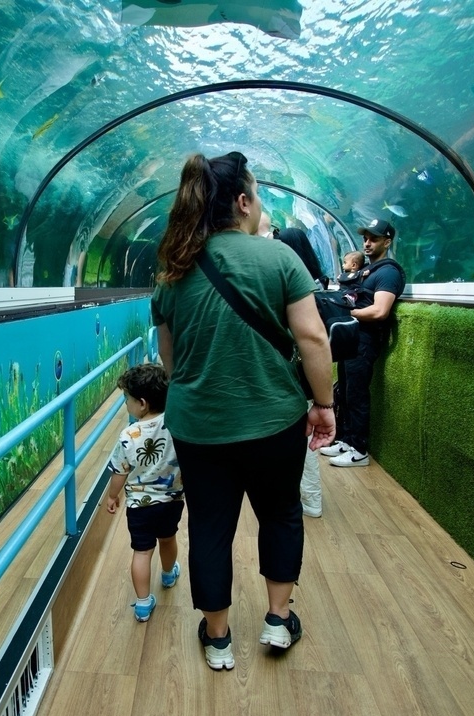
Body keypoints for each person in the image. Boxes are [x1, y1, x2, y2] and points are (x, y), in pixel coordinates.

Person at [151, 151, 336, 670]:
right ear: (242, 201)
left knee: (210, 526)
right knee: (280, 514)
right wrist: (323, 405)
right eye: (256, 194)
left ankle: (218, 638)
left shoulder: (172, 273)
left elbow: (171, 360)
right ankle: (278, 621)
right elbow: (313, 337)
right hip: (275, 420)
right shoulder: (280, 260)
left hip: (198, 426)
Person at [320, 215, 406, 467]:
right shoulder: (366, 271)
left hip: (365, 340)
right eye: (365, 239)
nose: (367, 244)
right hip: (351, 338)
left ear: (387, 242)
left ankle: (359, 450)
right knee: (345, 390)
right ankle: (346, 440)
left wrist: (345, 312)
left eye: (374, 239)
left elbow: (380, 311)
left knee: (356, 393)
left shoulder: (388, 273)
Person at [105, 364, 185, 623]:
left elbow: (119, 472)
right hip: (171, 501)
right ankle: (168, 573)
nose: (126, 403)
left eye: (127, 399)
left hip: (139, 506)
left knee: (141, 552)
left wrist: (111, 496)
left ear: (141, 403)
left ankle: (142, 604)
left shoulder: (128, 436)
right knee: (168, 538)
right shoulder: (176, 424)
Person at [273, 227, 329, 519]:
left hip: (294, 375)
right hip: (310, 376)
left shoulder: (293, 284)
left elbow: (309, 337)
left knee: (303, 443)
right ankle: (305, 497)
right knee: (303, 441)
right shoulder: (319, 283)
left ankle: (310, 499)